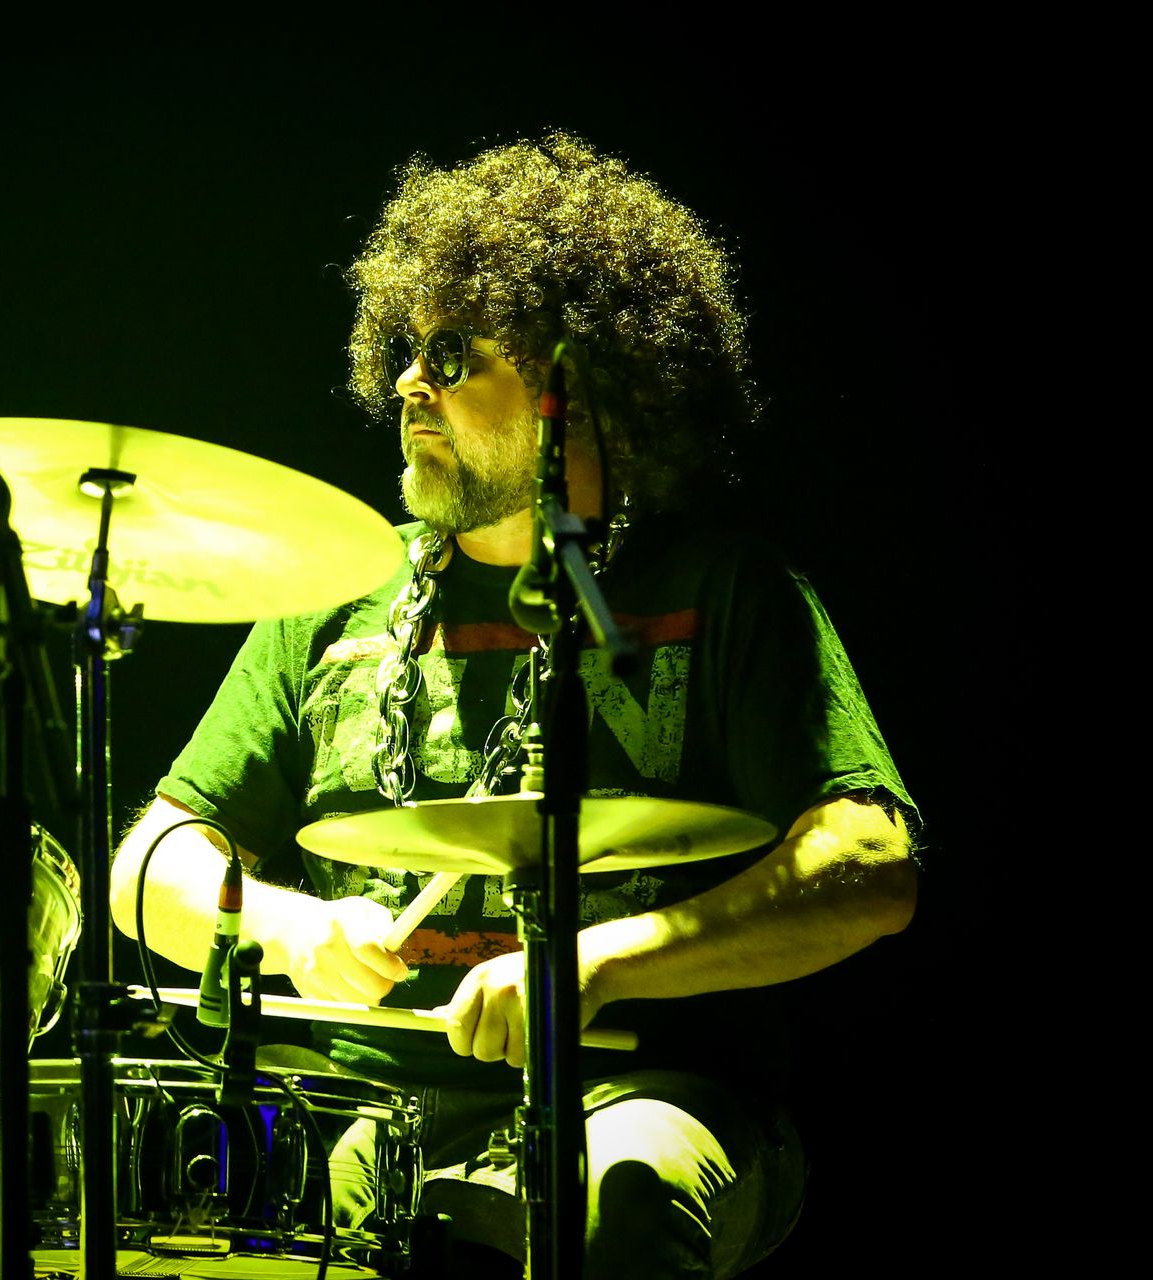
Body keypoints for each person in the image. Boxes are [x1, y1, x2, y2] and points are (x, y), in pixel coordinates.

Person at [108, 131, 921, 1279]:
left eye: (450, 353)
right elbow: (148, 865)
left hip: (649, 1087)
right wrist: (292, 928)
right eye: (404, 348)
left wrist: (600, 962)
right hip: (372, 1105)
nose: (409, 381)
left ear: (576, 383)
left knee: (609, 1204)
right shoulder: (332, 601)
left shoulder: (725, 590)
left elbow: (871, 865)